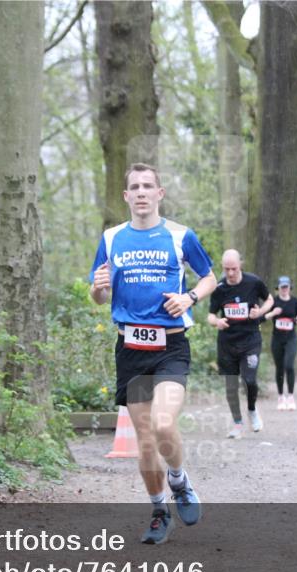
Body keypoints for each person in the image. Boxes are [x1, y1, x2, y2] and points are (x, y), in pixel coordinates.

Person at [89, 163, 216, 545]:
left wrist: (189, 298)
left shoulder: (180, 235)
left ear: (159, 193)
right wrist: (97, 288)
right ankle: (160, 512)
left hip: (170, 346)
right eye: (135, 187)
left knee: (162, 424)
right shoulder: (111, 238)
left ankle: (180, 481)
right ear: (126, 196)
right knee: (145, 440)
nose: (141, 192)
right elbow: (99, 296)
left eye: (148, 186)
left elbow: (209, 277)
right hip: (130, 348)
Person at [206, 250, 273, 438]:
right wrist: (216, 322)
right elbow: (211, 315)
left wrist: (260, 313)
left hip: (250, 340)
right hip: (227, 343)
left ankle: (252, 410)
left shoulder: (254, 282)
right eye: (226, 269)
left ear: (240, 265)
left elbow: (270, 300)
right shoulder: (219, 288)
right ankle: (237, 423)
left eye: (234, 269)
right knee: (231, 386)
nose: (230, 273)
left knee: (249, 380)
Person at [263, 275, 297, 410]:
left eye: (286, 287)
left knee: (289, 366)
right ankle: (281, 397)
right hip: (277, 339)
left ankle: (290, 396)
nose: (284, 289)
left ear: (290, 288)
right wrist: (273, 313)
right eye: (282, 287)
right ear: (278, 288)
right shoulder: (273, 302)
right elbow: (265, 317)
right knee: (279, 367)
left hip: (291, 338)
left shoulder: (296, 302)